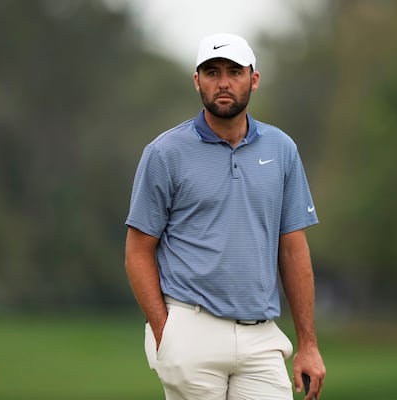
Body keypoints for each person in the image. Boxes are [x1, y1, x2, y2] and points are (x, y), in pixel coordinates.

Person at [124, 32, 325, 400]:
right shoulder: (164, 153)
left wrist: (308, 345)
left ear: (254, 79)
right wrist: (163, 332)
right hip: (190, 328)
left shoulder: (282, 149)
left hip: (261, 335)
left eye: (234, 72)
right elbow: (138, 250)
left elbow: (293, 251)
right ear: (197, 80)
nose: (224, 83)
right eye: (212, 72)